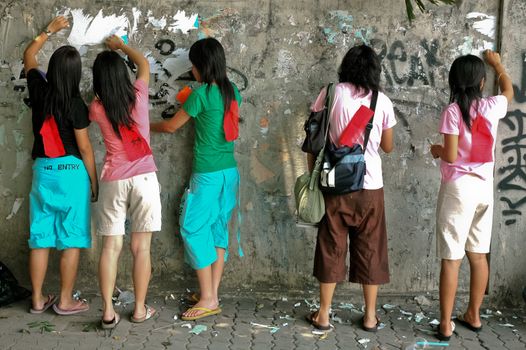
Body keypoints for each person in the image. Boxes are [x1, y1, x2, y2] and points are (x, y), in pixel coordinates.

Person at [305, 44, 396, 331]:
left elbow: (313, 137)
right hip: (370, 187)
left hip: (335, 183)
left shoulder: (330, 93)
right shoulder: (382, 101)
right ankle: (369, 316)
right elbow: (388, 147)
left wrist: (313, 179)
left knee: (331, 245)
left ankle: (323, 314)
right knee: (371, 248)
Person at [151, 37, 242, 321]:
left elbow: (169, 127)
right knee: (217, 229)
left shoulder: (200, 95)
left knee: (192, 227)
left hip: (208, 175)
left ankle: (208, 298)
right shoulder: (231, 91)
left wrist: (142, 124)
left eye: (193, 64)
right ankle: (212, 293)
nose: (191, 68)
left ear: (201, 66)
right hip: (229, 172)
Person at [430, 50, 513, 340]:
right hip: (483, 189)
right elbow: (508, 90)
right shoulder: (492, 106)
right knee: (478, 255)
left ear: (453, 83)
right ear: (481, 84)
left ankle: (444, 324)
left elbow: (451, 155)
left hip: (458, 190)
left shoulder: (452, 112)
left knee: (452, 259)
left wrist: (437, 150)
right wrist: (498, 64)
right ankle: (474, 315)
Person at [24, 16, 97, 315]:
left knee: (40, 238)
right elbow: (84, 148)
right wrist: (93, 183)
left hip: (43, 171)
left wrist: (47, 32)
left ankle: (38, 299)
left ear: (52, 70)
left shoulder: (38, 90)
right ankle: (66, 301)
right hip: (71, 174)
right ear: (76, 74)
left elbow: (29, 56)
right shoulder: (77, 105)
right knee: (70, 240)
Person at [90, 36, 162, 328]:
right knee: (141, 248)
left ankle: (108, 312)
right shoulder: (139, 94)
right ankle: (140, 309)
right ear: (123, 74)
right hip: (144, 178)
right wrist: (121, 46)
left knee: (110, 247)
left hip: (113, 179)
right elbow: (143, 63)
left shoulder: (96, 108)